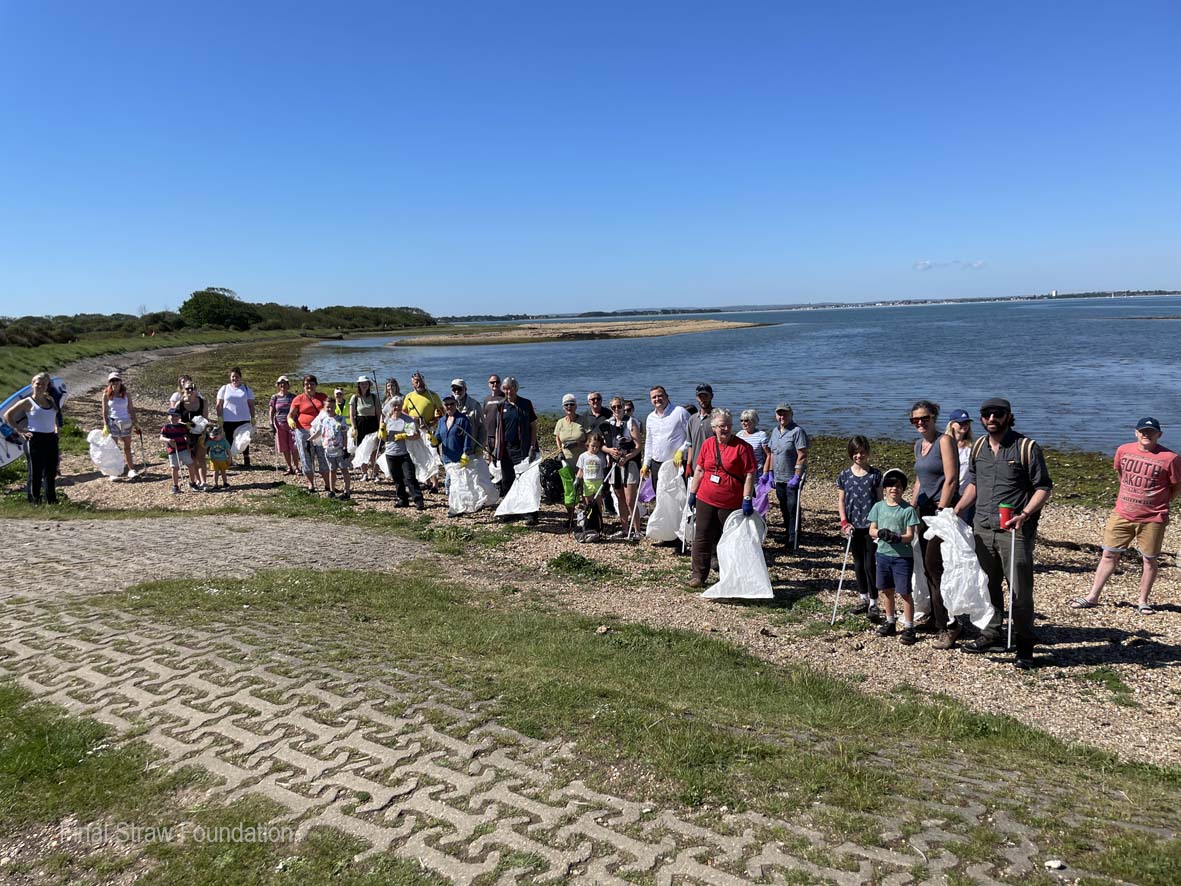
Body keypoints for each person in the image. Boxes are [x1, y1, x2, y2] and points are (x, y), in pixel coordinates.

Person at [954, 397, 1053, 669]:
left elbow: (1043, 486)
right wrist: (957, 509)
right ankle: (992, 633)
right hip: (983, 527)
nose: (992, 419)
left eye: (998, 414)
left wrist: (1025, 514)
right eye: (987, 414)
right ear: (982, 418)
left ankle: (1024, 645)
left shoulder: (1026, 448)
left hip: (1015, 531)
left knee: (1020, 591)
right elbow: (975, 483)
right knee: (988, 585)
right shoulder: (978, 448)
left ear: (1009, 416)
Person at [1072, 417, 1181, 615]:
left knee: (1149, 559)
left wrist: (1160, 503)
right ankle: (1092, 597)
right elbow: (1120, 473)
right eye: (1142, 431)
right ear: (1136, 432)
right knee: (1108, 554)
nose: (1146, 434)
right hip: (1122, 513)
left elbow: (1175, 486)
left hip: (1153, 518)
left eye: (1151, 432)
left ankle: (1143, 601)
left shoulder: (1170, 458)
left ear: (1159, 434)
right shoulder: (1123, 450)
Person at [686, 409, 757, 588]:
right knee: (701, 536)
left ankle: (730, 577)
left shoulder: (742, 447)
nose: (724, 429)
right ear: (713, 428)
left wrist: (747, 498)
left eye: (727, 425)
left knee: (730, 540)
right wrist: (693, 493)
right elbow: (700, 469)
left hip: (731, 501)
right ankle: (698, 575)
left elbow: (749, 474)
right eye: (720, 426)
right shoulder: (708, 444)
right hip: (706, 497)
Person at [909, 400, 961, 647]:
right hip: (923, 511)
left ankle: (950, 626)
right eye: (915, 419)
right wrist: (910, 506)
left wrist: (942, 510)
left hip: (942, 511)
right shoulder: (919, 445)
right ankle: (935, 616)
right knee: (927, 568)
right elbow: (919, 480)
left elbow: (951, 479)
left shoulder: (944, 441)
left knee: (936, 565)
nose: (920, 422)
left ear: (934, 417)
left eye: (924, 418)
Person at [868, 469, 923, 644]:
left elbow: (910, 535)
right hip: (883, 554)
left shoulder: (908, 510)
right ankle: (890, 621)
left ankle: (909, 626)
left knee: (905, 592)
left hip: (902, 557)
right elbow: (871, 530)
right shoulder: (878, 507)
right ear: (885, 488)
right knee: (886, 590)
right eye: (891, 485)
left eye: (898, 486)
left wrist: (898, 537)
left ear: (903, 489)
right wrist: (880, 533)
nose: (894, 489)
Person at [836, 436, 883, 619]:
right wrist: (844, 522)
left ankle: (873, 601)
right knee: (858, 563)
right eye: (855, 452)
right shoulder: (844, 475)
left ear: (867, 453)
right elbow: (841, 500)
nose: (859, 456)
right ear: (851, 454)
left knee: (870, 563)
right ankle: (862, 597)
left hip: (871, 526)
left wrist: (879, 523)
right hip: (853, 526)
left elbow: (880, 501)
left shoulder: (875, 475)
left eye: (862, 452)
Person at [3, 372, 59, 504]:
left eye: (43, 384)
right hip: (35, 438)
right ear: (32, 385)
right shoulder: (27, 402)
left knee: (50, 471)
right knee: (35, 471)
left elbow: (54, 416)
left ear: (47, 386)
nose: (40, 386)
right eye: (37, 383)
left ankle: (51, 500)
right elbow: (7, 415)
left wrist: (57, 429)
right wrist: (19, 430)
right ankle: (35, 501)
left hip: (50, 438)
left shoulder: (50, 400)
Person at [768, 404, 809, 550]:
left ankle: (794, 537)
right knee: (784, 507)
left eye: (785, 414)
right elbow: (772, 453)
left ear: (791, 414)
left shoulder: (797, 431)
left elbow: (802, 455)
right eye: (779, 414)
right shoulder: (775, 431)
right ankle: (787, 533)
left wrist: (797, 476)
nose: (782, 417)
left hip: (791, 477)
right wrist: (770, 473)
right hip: (779, 477)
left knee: (793, 508)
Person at [640, 386, 690, 500]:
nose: (657, 399)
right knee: (661, 496)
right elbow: (649, 442)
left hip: (676, 464)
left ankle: (680, 518)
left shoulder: (680, 412)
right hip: (656, 464)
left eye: (660, 396)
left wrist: (682, 450)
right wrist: (646, 464)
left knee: (678, 497)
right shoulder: (650, 418)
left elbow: (691, 436)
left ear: (667, 397)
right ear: (651, 400)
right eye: (654, 397)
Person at [500, 377, 539, 524]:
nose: (508, 391)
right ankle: (511, 510)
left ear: (516, 388)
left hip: (523, 448)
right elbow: (499, 428)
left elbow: (533, 426)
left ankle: (530, 513)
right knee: (507, 480)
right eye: (505, 388)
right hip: (506, 448)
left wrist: (532, 446)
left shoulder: (525, 404)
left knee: (526, 481)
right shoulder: (501, 405)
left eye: (510, 388)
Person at [603, 395, 643, 537]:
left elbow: (638, 446)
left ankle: (637, 530)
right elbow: (600, 444)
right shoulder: (607, 423)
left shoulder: (631, 422)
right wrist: (609, 451)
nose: (617, 409)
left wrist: (626, 457)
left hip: (629, 463)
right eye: (613, 407)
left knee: (630, 499)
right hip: (614, 464)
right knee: (619, 497)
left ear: (623, 407)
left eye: (619, 406)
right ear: (611, 409)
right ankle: (625, 528)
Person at [287, 375, 330, 494]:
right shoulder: (298, 399)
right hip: (303, 431)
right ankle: (311, 484)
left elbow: (330, 411)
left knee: (323, 457)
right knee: (306, 457)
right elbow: (290, 415)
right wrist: (290, 420)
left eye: (312, 384)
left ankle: (328, 484)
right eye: (307, 384)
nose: (309, 386)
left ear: (316, 385)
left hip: (320, 432)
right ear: (303, 386)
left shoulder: (323, 397)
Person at [382, 394, 424, 509]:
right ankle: (402, 499)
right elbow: (384, 438)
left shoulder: (407, 420)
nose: (397, 408)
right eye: (395, 405)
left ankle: (418, 500)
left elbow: (415, 435)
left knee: (410, 477)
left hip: (405, 453)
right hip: (390, 453)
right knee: (397, 478)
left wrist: (404, 435)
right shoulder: (387, 420)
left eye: (399, 405)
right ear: (391, 406)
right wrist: (382, 431)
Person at [583, 392, 616, 516]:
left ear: (601, 400)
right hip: (592, 452)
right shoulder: (585, 416)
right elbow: (584, 434)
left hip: (607, 451)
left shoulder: (608, 414)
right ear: (589, 402)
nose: (595, 401)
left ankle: (609, 506)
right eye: (592, 399)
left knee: (606, 477)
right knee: (594, 477)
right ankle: (592, 507)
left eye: (598, 399)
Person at [100, 371, 138, 480]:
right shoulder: (106, 395)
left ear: (120, 381)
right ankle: (114, 472)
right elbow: (105, 412)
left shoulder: (126, 395)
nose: (115, 382)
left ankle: (131, 470)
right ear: (109, 382)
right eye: (112, 381)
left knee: (127, 447)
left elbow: (131, 409)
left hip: (126, 422)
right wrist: (106, 425)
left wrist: (136, 423)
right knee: (114, 448)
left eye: (116, 380)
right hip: (113, 423)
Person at [216, 367, 256, 468]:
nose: (235, 379)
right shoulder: (224, 388)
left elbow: (251, 405)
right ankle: (229, 460)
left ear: (240, 377)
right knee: (229, 440)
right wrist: (219, 417)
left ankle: (246, 459)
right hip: (228, 419)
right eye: (233, 377)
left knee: (245, 439)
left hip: (243, 419)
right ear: (230, 378)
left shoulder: (246, 389)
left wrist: (253, 417)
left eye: (237, 377)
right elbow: (219, 404)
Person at [312, 397, 351, 499]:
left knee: (344, 470)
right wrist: (309, 439)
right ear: (324, 408)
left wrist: (346, 448)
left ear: (335, 408)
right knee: (332, 470)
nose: (330, 409)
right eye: (328, 407)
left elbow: (344, 434)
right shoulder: (323, 420)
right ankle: (332, 491)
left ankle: (346, 491)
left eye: (332, 407)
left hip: (340, 449)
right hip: (328, 449)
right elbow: (318, 432)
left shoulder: (340, 419)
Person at [175, 379, 208, 490]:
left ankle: (204, 482)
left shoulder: (203, 402)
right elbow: (174, 418)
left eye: (192, 388)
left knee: (201, 458)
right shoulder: (180, 404)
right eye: (187, 388)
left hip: (201, 433)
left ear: (195, 389)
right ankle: (197, 480)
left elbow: (206, 418)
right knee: (192, 459)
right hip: (187, 434)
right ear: (183, 390)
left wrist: (203, 432)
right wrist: (185, 424)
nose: (189, 390)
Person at [575, 433, 609, 540]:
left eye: (597, 446)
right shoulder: (583, 456)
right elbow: (580, 470)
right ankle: (589, 524)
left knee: (598, 506)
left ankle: (599, 525)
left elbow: (604, 468)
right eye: (592, 446)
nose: (594, 448)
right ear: (588, 445)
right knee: (588, 505)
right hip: (587, 482)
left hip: (598, 482)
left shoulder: (601, 456)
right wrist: (577, 479)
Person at [349, 376, 382, 482]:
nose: (364, 385)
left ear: (369, 385)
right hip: (360, 425)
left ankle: (375, 473)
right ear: (359, 385)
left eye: (366, 383)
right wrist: (354, 427)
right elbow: (352, 414)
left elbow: (379, 414)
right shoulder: (355, 397)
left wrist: (381, 427)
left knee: (374, 451)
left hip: (373, 425)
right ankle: (364, 473)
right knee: (361, 450)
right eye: (362, 383)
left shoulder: (374, 397)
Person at [160, 407, 198, 495]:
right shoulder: (166, 427)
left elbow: (186, 436)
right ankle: (175, 486)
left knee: (191, 465)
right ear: (169, 417)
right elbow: (161, 437)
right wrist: (168, 440)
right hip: (173, 450)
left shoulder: (182, 426)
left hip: (184, 449)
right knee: (175, 468)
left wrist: (187, 441)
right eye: (172, 416)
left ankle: (193, 483)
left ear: (179, 417)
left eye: (176, 416)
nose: (174, 418)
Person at [947, 408, 975, 523]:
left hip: (965, 493)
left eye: (967, 423)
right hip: (948, 492)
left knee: (964, 525)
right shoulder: (944, 444)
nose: (964, 425)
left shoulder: (971, 447)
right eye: (961, 423)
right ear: (952, 425)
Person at [685, 384, 717, 477]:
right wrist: (688, 464)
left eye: (705, 396)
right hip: (696, 467)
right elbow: (690, 444)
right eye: (700, 396)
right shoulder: (692, 419)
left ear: (711, 396)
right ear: (696, 398)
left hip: (713, 467)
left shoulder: (718, 416)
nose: (703, 399)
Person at [269, 376, 298, 475]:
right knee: (284, 447)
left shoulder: (293, 397)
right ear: (278, 385)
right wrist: (271, 423)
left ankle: (297, 467)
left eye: (285, 383)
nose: (283, 385)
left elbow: (297, 411)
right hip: (279, 424)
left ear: (288, 385)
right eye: (280, 383)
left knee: (294, 446)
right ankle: (289, 467)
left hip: (292, 425)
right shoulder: (275, 397)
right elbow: (272, 411)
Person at [555, 394, 588, 470]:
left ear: (576, 406)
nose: (569, 407)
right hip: (566, 460)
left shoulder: (584, 420)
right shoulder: (560, 422)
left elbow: (590, 441)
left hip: (582, 459)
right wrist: (560, 452)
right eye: (566, 405)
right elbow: (558, 438)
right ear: (563, 407)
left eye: (571, 404)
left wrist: (577, 443)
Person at [737, 410, 772, 476]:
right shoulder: (739, 435)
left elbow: (768, 455)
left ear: (753, 421)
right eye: (741, 420)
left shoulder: (761, 435)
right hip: (742, 473)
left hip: (757, 473)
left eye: (746, 420)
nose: (743, 423)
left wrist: (766, 473)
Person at [450, 379, 484, 447]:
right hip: (455, 448)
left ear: (465, 389)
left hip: (471, 449)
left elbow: (482, 427)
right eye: (454, 389)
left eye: (459, 389)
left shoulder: (475, 405)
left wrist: (480, 446)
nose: (456, 391)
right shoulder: (449, 405)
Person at [205, 424, 232, 489]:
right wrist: (205, 456)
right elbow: (204, 447)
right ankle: (215, 484)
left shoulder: (224, 441)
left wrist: (229, 458)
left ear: (221, 434)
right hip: (213, 460)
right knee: (215, 472)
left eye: (216, 436)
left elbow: (228, 450)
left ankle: (225, 483)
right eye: (213, 436)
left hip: (223, 459)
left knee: (223, 472)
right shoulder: (211, 441)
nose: (214, 438)